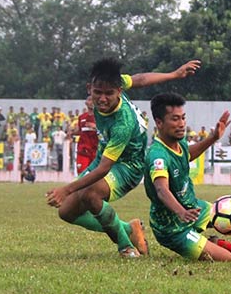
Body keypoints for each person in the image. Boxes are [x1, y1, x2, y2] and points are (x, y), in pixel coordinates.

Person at [46, 57, 201, 258]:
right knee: (66, 212)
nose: (102, 98)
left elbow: (103, 169)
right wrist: (174, 74)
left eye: (108, 93)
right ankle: (129, 229)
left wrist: (66, 189)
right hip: (105, 157)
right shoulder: (114, 83)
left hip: (129, 167)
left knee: (91, 194)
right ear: (89, 88)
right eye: (97, 93)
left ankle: (125, 247)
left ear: (119, 91)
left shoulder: (123, 123)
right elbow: (141, 79)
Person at [144, 92, 231, 261]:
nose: (182, 124)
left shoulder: (179, 143)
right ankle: (206, 243)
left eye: (183, 118)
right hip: (173, 227)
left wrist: (213, 137)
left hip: (194, 209)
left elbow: (187, 154)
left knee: (228, 212)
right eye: (175, 119)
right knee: (227, 258)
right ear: (159, 122)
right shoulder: (158, 155)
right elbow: (161, 189)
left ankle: (209, 242)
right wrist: (181, 212)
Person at [76, 98, 98, 174]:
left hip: (96, 151)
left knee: (95, 175)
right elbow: (79, 131)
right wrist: (71, 132)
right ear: (86, 103)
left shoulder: (101, 117)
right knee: (82, 173)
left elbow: (106, 132)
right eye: (90, 100)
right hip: (83, 150)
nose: (92, 102)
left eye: (93, 100)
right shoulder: (82, 117)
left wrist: (95, 127)